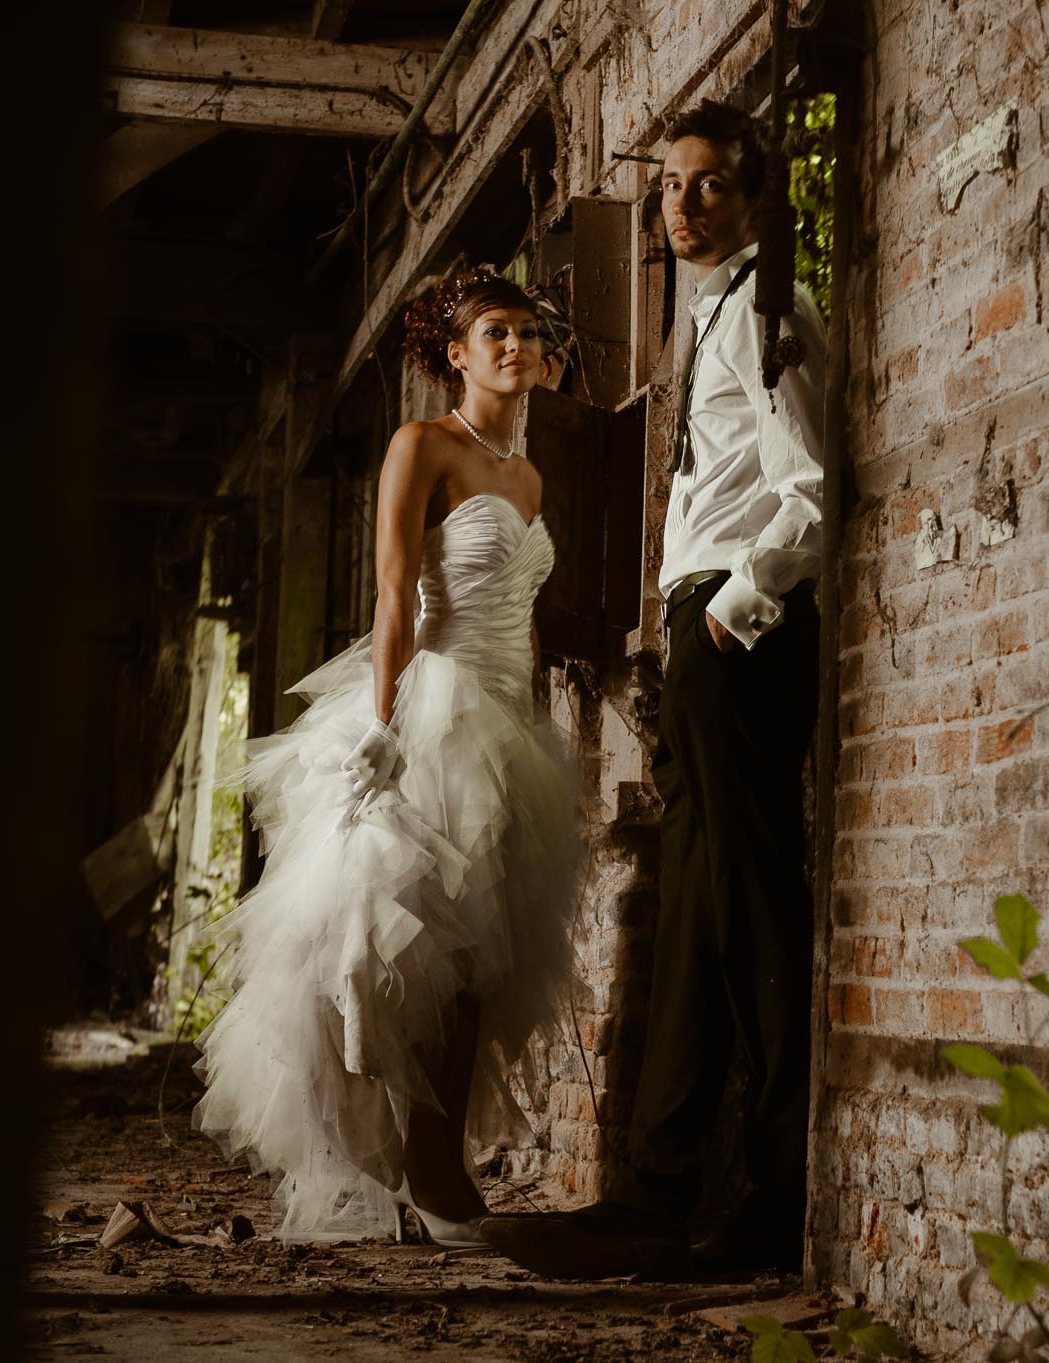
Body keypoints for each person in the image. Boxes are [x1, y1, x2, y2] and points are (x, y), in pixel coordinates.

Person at [482, 98, 827, 1278]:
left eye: (709, 184)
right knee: (693, 920)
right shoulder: (713, 314)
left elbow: (811, 492)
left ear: (754, 195)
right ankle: (653, 1198)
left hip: (743, 625)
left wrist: (732, 614)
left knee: (751, 912)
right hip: (701, 632)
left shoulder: (768, 313)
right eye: (671, 186)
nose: (682, 207)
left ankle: (772, 1207)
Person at [192, 270, 581, 1246]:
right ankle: (423, 1166)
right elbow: (394, 589)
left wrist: (531, 724)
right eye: (493, 331)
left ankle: (434, 1160)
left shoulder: (531, 476)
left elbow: (524, 619)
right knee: (412, 948)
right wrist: (383, 720)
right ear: (455, 353)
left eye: (526, 332)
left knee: (483, 958)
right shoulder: (423, 445)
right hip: (430, 703)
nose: (512, 346)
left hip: (504, 717)